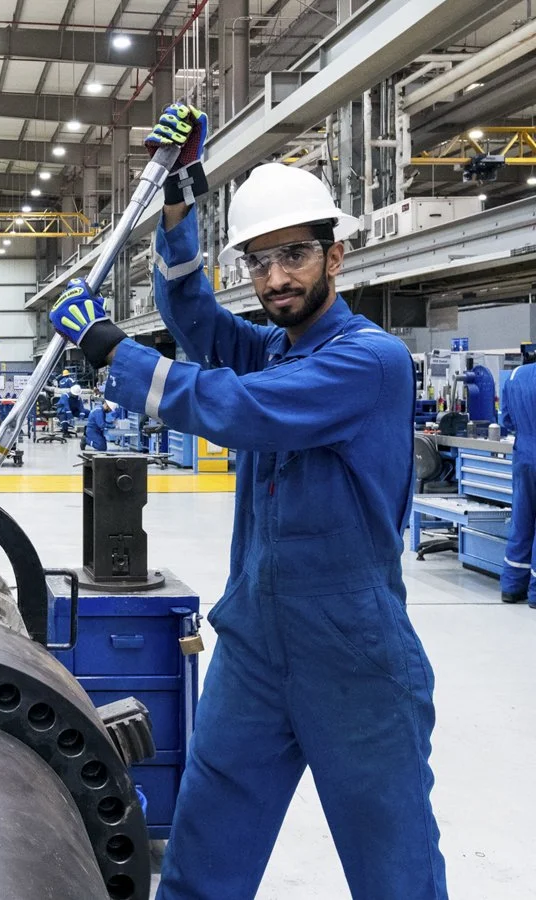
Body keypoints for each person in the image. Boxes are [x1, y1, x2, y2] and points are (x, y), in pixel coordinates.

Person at [49, 103, 446, 900]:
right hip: (255, 645)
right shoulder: (274, 347)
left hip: (354, 653)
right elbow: (192, 315)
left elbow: (239, 409)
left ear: (335, 254)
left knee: (393, 868)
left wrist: (106, 350)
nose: (275, 279)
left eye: (294, 256)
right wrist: (179, 193)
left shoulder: (370, 361)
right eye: (260, 263)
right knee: (204, 856)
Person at [498, 342, 536, 605]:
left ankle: (512, 586)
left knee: (522, 518)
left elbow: (506, 421)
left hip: (523, 455)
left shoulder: (514, 376)